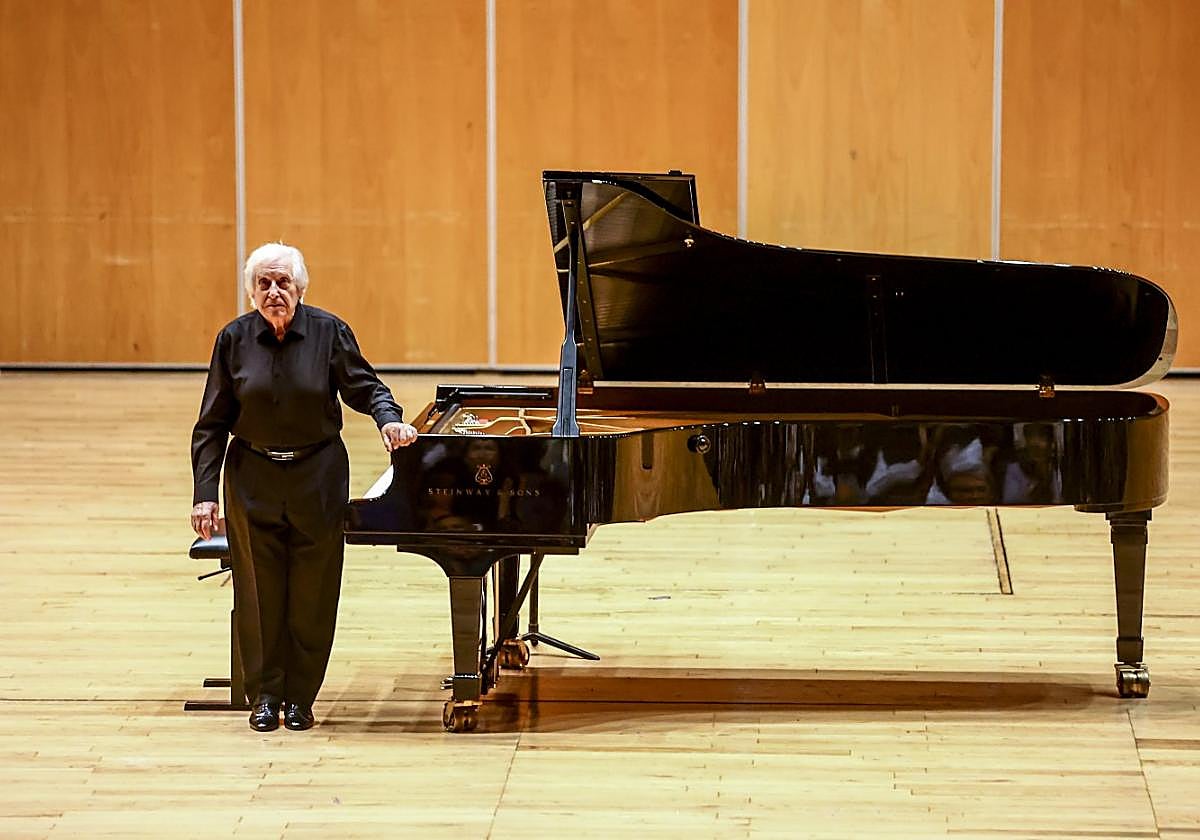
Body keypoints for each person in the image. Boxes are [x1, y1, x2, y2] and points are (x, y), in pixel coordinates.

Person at [190, 242, 417, 732]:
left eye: (283, 282)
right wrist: (205, 492)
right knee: (258, 590)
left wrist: (389, 419)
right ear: (251, 291)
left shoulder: (328, 333)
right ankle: (265, 695)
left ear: (300, 288)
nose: (274, 292)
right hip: (252, 476)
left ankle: (301, 697)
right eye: (264, 283)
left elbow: (365, 386)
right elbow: (211, 423)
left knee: (313, 590)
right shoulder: (233, 340)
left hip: (317, 474)